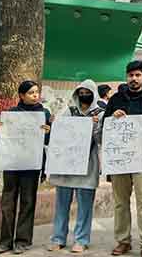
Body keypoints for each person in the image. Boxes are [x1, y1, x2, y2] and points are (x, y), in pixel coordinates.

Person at [103, 60, 142, 257]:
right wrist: (112, 116)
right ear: (126, 76)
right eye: (131, 75)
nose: (134, 79)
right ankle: (123, 241)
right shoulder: (115, 99)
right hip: (119, 160)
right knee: (121, 202)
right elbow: (105, 127)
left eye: (138, 75)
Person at [46, 80, 104, 254]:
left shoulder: (100, 114)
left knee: (85, 206)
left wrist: (95, 127)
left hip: (87, 166)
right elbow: (58, 134)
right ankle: (58, 238)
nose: (84, 95)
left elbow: (102, 140)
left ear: (93, 94)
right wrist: (54, 124)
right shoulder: (68, 111)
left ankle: (81, 239)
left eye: (88, 92)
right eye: (81, 92)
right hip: (66, 166)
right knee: (62, 205)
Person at [0, 81, 52, 254]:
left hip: (32, 165)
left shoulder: (44, 113)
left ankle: (23, 240)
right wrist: (0, 129)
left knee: (28, 202)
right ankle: (5, 241)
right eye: (30, 93)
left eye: (36, 92)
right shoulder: (11, 114)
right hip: (12, 164)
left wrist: (48, 131)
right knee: (8, 202)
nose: (35, 95)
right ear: (21, 96)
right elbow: (3, 140)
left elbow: (49, 142)